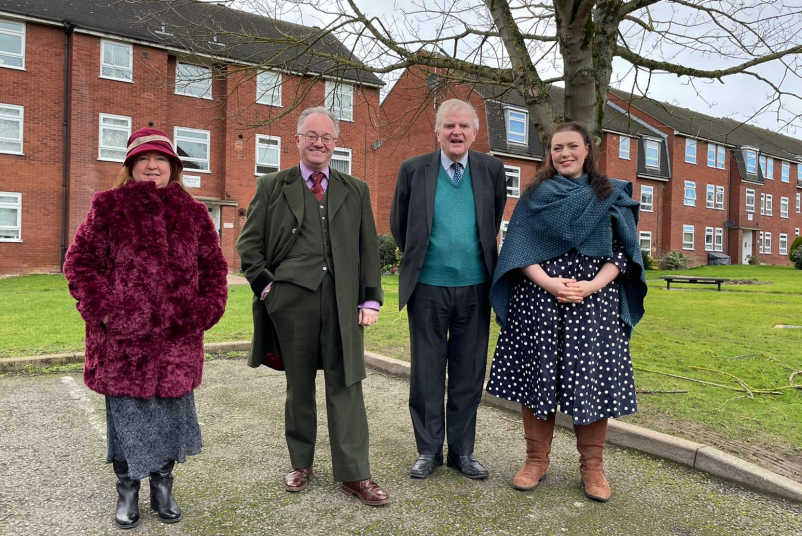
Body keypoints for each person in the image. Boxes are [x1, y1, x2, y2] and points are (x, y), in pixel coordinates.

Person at [63, 127, 229, 528]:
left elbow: (214, 269)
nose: (152, 167)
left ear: (173, 167)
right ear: (131, 166)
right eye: (144, 160)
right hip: (123, 344)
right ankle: (127, 488)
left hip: (177, 342)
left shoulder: (194, 213)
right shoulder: (108, 208)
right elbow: (79, 264)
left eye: (161, 160)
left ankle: (163, 485)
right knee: (127, 419)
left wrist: (201, 312)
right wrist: (106, 312)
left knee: (172, 416)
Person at [486, 121, 647, 502]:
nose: (565, 154)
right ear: (550, 153)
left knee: (589, 378)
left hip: (595, 304)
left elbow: (625, 253)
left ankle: (593, 468)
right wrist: (550, 283)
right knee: (538, 374)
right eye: (557, 148)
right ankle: (535, 460)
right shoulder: (534, 195)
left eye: (572, 146)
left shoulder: (611, 195)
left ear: (588, 149)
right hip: (539, 300)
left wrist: (591, 285)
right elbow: (517, 250)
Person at [236, 107, 389, 506]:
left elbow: (367, 247)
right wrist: (268, 290)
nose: (319, 143)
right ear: (298, 139)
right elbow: (249, 247)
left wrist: (371, 297)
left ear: (336, 144)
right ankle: (300, 463)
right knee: (298, 386)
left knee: (347, 386)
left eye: (326, 137)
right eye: (311, 135)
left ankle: (355, 474)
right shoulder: (271, 185)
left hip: (343, 304)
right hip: (292, 303)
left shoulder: (356, 188)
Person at [390, 99, 507, 480]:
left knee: (468, 374)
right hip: (427, 288)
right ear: (436, 131)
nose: (456, 132)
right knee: (426, 373)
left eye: (464, 126)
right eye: (449, 126)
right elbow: (399, 224)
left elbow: (493, 219)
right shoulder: (413, 169)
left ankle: (462, 452)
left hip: (475, 287)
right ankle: (428, 451)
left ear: (475, 132)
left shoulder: (491, 169)